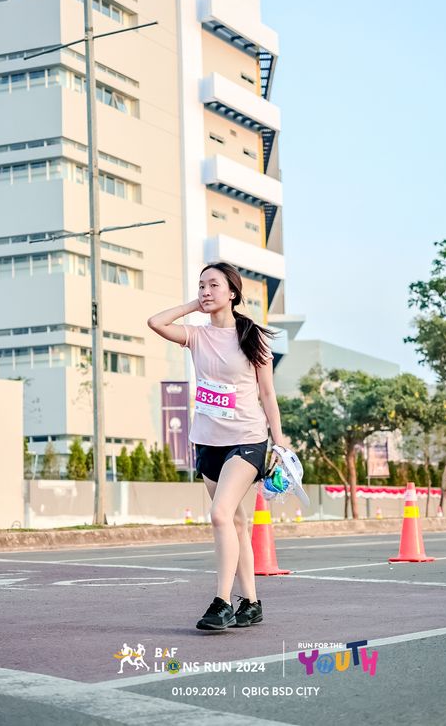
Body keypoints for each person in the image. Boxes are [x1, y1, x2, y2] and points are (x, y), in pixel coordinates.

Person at [147, 261, 288, 631]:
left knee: (220, 514)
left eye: (213, 285)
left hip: (247, 438)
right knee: (236, 522)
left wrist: (280, 442)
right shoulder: (196, 336)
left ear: (233, 293)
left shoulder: (253, 337)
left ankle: (222, 602)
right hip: (208, 441)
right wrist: (194, 306)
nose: (206, 291)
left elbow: (268, 394)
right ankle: (251, 603)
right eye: (201, 285)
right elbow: (155, 322)